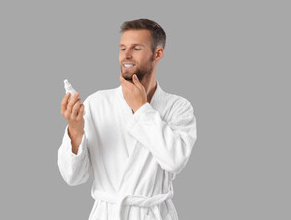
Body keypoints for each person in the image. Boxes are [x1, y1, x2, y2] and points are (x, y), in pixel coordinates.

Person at [58, 19, 197, 220]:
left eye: (136, 48)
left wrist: (141, 108)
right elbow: (73, 177)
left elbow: (175, 160)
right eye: (122, 48)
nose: (126, 55)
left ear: (157, 54)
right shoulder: (98, 103)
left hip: (153, 214)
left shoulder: (178, 107)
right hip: (108, 214)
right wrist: (75, 131)